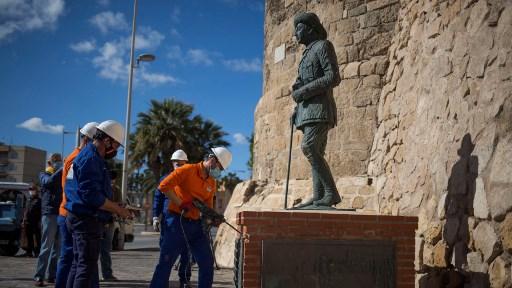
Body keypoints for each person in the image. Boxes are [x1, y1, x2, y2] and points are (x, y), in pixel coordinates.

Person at [150, 147, 232, 288]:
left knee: (207, 262)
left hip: (196, 225)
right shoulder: (187, 170)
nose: (220, 171)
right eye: (220, 167)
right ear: (212, 160)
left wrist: (214, 218)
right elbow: (164, 186)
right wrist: (181, 203)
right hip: (176, 221)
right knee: (166, 262)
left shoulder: (211, 182)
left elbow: (207, 207)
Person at [64, 120, 132, 288]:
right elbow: (92, 197)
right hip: (85, 220)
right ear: (107, 140)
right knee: (85, 267)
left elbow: (92, 192)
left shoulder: (90, 156)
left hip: (80, 217)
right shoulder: (91, 159)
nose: (116, 150)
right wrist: (118, 209)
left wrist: (114, 205)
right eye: (116, 145)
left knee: (78, 265)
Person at [291, 12, 342, 209]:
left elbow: (333, 77)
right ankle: (319, 195)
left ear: (310, 28)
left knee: (309, 148)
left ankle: (331, 192)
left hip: (321, 109)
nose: (296, 33)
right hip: (306, 113)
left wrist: (303, 92)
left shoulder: (323, 46)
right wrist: (296, 110)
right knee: (316, 152)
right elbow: (300, 86)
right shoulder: (305, 57)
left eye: (299, 28)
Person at [55, 122, 98, 288]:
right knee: (71, 258)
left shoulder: (75, 156)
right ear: (88, 140)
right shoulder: (78, 158)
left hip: (67, 212)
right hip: (70, 213)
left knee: (78, 260)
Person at [152, 149, 192, 287]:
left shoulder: (190, 181)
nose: (178, 166)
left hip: (186, 220)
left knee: (186, 252)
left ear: (186, 163)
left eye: (181, 164)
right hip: (168, 221)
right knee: (166, 253)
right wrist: (155, 217)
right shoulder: (165, 179)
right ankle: (162, 282)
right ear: (172, 164)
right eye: (176, 163)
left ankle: (184, 280)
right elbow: (157, 199)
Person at [34, 153, 63, 286]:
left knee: (57, 249)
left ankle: (52, 276)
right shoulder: (43, 174)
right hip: (49, 214)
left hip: (60, 214)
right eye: (55, 160)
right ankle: (39, 276)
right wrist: (61, 170)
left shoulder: (61, 175)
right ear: (50, 163)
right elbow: (48, 182)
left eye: (59, 160)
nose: (58, 162)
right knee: (46, 246)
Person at [99, 169, 119, 282]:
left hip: (110, 221)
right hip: (99, 221)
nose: (112, 182)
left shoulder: (116, 190)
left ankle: (107, 274)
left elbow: (119, 203)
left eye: (113, 180)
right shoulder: (100, 188)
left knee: (106, 249)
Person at [22, 185, 41, 258]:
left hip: (36, 222)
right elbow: (25, 210)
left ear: (36, 191)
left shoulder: (39, 201)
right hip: (28, 222)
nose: (31, 191)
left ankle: (37, 252)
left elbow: (41, 212)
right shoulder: (28, 200)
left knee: (36, 238)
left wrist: (40, 221)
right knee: (29, 237)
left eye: (32, 189)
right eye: (30, 189)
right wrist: (23, 220)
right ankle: (29, 252)